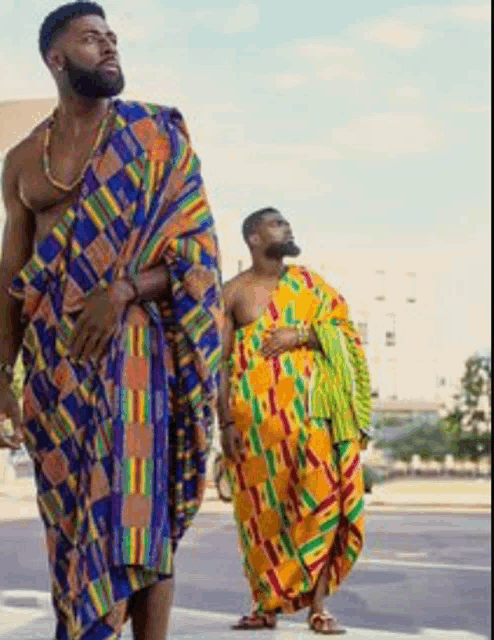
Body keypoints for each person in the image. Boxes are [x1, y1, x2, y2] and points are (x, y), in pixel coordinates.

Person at [0, 3, 223, 639]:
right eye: (92, 39)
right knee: (68, 524)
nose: (110, 47)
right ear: (56, 58)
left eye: (113, 38)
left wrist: (123, 290)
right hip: (53, 368)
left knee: (140, 517)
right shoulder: (21, 160)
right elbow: (10, 276)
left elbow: (196, 259)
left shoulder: (154, 136)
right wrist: (0, 379)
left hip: (134, 354)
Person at [218, 207, 371, 635]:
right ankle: (264, 605)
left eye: (286, 223)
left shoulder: (310, 286)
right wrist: (224, 425)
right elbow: (220, 364)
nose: (287, 229)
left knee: (321, 507)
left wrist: (301, 334)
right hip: (255, 429)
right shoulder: (233, 292)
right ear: (252, 237)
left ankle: (318, 608)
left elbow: (344, 331)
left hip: (313, 421)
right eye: (276, 223)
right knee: (260, 517)